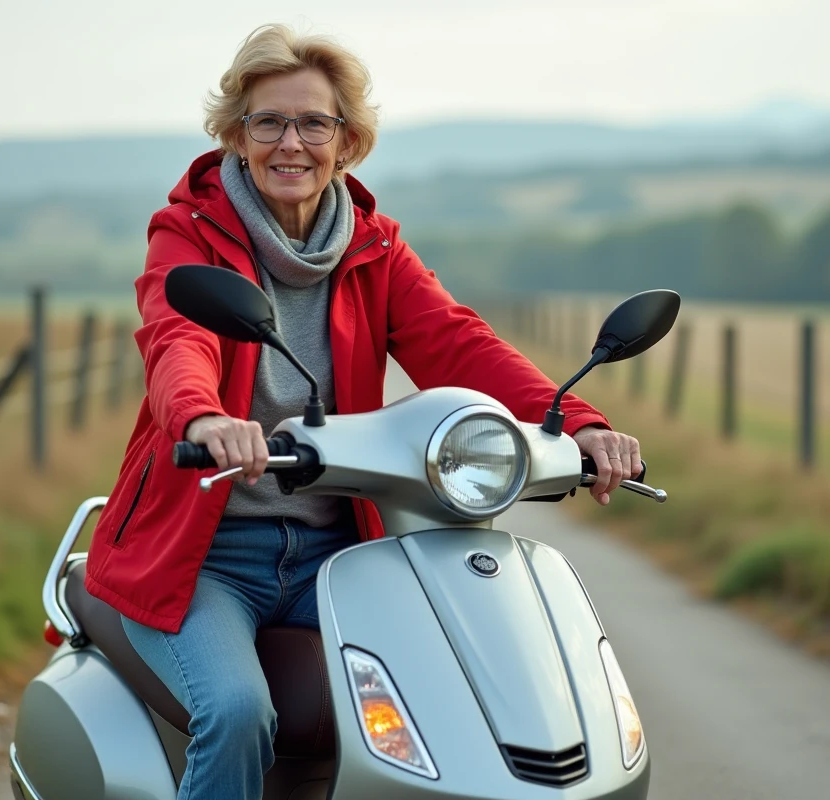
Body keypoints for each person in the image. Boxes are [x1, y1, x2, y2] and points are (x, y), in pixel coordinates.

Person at [84, 22, 642, 800]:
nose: (291, 143)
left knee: (454, 694)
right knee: (238, 714)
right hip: (204, 552)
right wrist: (203, 417)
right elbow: (179, 337)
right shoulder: (189, 234)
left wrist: (577, 420)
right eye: (268, 122)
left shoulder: (374, 245)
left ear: (346, 141)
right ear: (236, 134)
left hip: (337, 553)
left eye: (314, 123)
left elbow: (457, 343)